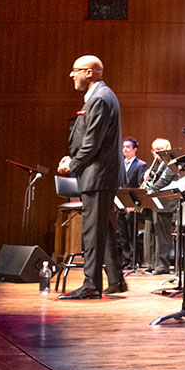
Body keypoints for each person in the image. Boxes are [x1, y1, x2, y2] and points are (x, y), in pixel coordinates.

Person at [57, 55, 127, 298]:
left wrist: (73, 163)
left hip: (98, 176)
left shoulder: (99, 98)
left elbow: (92, 142)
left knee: (92, 232)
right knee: (104, 229)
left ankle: (91, 286)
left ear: (89, 73)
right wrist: (73, 159)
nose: (71, 75)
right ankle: (117, 281)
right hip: (100, 174)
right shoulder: (101, 96)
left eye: (75, 70)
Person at [142, 137, 177, 275]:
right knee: (149, 233)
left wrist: (147, 192)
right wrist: (146, 179)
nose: (156, 153)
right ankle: (151, 263)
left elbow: (164, 182)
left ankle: (162, 265)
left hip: (164, 204)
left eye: (159, 150)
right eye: (154, 150)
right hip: (152, 202)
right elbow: (152, 181)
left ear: (166, 150)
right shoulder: (155, 165)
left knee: (161, 236)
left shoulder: (171, 164)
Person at [118, 136, 148, 268]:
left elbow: (141, 185)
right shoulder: (119, 164)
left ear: (135, 149)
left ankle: (134, 259)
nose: (125, 149)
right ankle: (125, 259)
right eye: (123, 147)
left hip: (132, 203)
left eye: (128, 147)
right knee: (122, 233)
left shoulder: (141, 165)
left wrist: (134, 204)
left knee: (132, 233)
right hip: (119, 202)